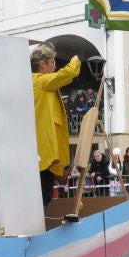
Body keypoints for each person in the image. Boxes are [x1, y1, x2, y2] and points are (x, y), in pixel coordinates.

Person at [31, 45, 81, 205]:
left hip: (42, 148)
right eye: (52, 62)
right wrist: (75, 61)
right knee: (44, 195)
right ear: (43, 64)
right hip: (43, 149)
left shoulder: (38, 82)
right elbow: (67, 73)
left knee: (44, 193)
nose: (55, 66)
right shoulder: (41, 81)